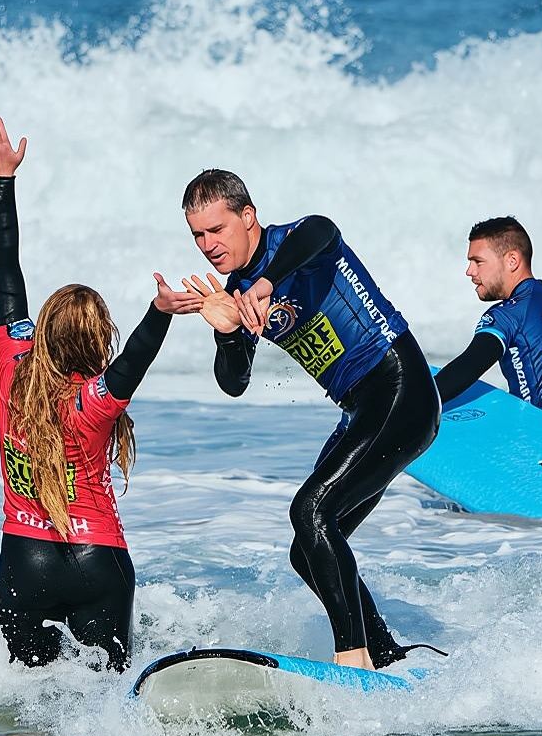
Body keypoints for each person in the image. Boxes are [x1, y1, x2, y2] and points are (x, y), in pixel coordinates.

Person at [179, 169, 445, 671]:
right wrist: (228, 332)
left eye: (218, 230)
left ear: (248, 216)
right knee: (308, 549)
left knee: (310, 512)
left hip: (400, 389)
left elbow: (323, 229)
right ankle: (385, 654)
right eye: (198, 235)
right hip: (362, 410)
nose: (208, 245)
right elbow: (233, 383)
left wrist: (265, 282)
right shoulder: (237, 292)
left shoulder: (295, 242)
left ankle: (354, 658)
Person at [0, 114, 201, 672]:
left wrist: (4, 179)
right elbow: (135, 361)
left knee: (29, 709)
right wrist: (160, 312)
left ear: (45, 328)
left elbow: (7, 270)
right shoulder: (97, 401)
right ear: (100, 336)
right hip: (96, 561)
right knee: (100, 713)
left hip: (22, 562)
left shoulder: (14, 364)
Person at [433, 217, 542, 440]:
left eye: (477, 261)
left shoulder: (508, 314)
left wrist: (413, 403)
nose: (469, 271)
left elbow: (469, 367)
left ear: (512, 260)